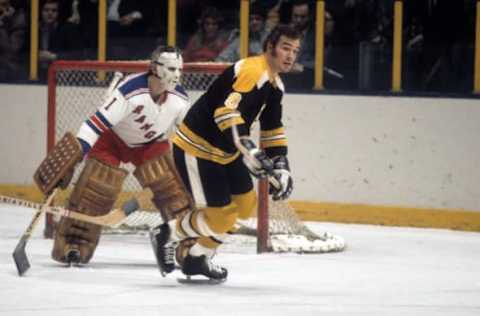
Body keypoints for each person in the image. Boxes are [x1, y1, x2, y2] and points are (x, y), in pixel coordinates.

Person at [151, 24, 300, 282]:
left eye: (295, 51)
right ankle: (168, 233)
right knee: (221, 217)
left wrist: (282, 164)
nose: (290, 55)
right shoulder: (252, 71)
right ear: (270, 47)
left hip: (226, 152)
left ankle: (197, 258)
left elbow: (272, 128)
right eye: (286, 48)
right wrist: (249, 149)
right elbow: (226, 112)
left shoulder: (275, 86)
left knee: (244, 206)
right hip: (197, 148)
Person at [33, 46, 193, 265]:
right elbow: (94, 125)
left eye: (180, 69)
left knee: (174, 194)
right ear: (155, 68)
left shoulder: (180, 99)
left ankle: (189, 245)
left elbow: (191, 136)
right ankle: (74, 244)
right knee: (94, 193)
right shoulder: (129, 91)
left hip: (150, 144)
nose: (177, 74)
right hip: (113, 141)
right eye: (172, 68)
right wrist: (74, 158)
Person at [38, 0, 82, 81]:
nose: (50, 13)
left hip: (61, 77)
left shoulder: (67, 29)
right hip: (36, 76)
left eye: (54, 11)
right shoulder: (34, 30)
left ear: (58, 13)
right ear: (40, 12)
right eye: (46, 10)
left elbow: (78, 54)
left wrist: (54, 57)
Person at [0, 0, 27, 81]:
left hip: (9, 74)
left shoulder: (19, 20)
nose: (0, 8)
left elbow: (12, 50)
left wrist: (1, 27)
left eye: (4, 5)